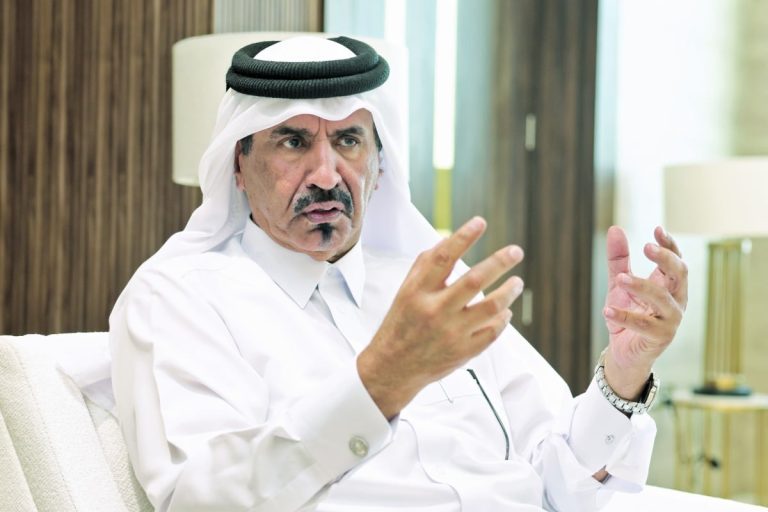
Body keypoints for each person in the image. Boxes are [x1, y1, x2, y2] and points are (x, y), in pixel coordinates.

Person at [109, 35, 687, 511]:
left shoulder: (433, 286)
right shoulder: (180, 299)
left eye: (348, 141)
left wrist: (625, 373)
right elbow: (201, 500)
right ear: (238, 164)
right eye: (293, 142)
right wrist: (378, 383)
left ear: (379, 166)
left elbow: (565, 484)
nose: (326, 175)